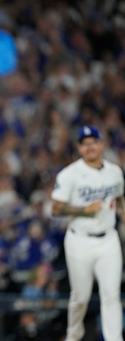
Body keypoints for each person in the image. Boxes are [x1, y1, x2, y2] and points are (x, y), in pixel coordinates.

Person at [51, 125, 124, 341]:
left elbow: (118, 196)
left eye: (93, 142)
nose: (90, 147)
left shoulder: (114, 171)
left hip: (108, 239)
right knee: (80, 298)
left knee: (111, 295)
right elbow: (56, 208)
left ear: (102, 144)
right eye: (85, 143)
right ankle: (74, 334)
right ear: (79, 148)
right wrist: (84, 210)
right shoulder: (70, 174)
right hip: (79, 240)